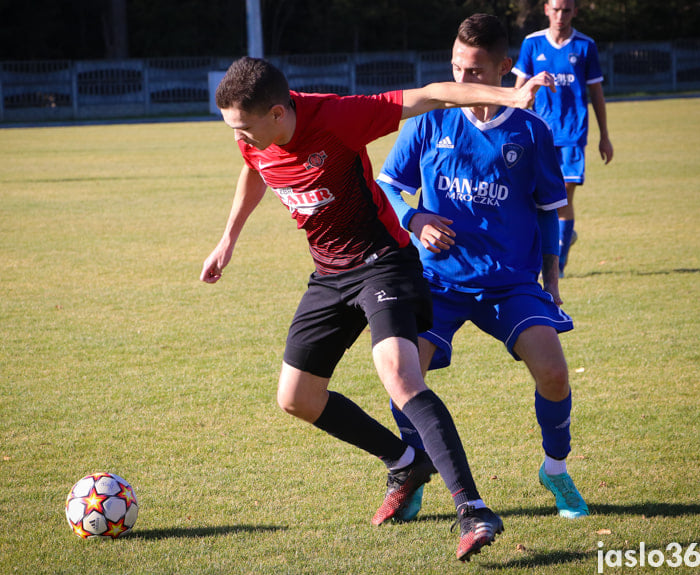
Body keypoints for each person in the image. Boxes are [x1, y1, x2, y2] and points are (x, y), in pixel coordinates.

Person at [201, 56, 553, 561]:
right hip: (328, 274)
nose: (239, 137)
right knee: (296, 398)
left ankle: (473, 508)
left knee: (400, 376)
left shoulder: (339, 118)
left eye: (245, 127)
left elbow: (431, 94)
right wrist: (227, 240)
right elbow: (254, 168)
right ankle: (404, 461)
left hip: (384, 263)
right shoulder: (254, 137)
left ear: (278, 113)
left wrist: (511, 97)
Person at [377, 13, 589, 522]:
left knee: (555, 374)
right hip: (437, 281)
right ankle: (415, 473)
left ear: (504, 67)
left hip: (508, 282)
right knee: (402, 376)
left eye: (473, 71)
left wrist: (552, 281)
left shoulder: (531, 132)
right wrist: (415, 214)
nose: (461, 80)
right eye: (455, 67)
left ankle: (555, 469)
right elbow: (387, 183)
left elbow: (547, 213)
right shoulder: (431, 120)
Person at [512, 0, 613, 277]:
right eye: (555, 9)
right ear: (546, 9)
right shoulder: (532, 44)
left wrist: (605, 136)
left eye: (566, 10)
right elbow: (517, 91)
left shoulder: (585, 45)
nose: (560, 15)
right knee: (535, 200)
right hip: (539, 136)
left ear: (574, 12)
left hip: (573, 135)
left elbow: (596, 94)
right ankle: (555, 243)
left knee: (563, 198)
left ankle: (560, 264)